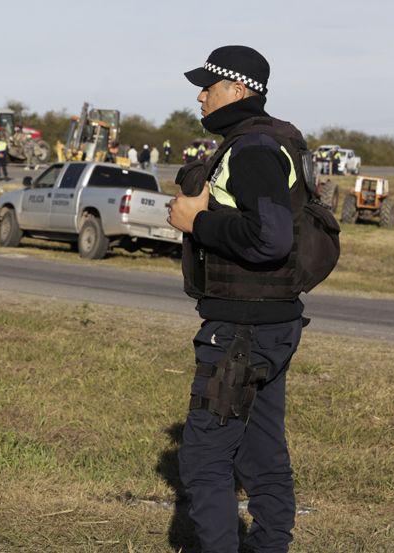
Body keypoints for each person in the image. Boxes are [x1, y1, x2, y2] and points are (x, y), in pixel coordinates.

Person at [168, 45, 311, 553]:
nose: (201, 97)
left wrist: (194, 221)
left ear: (240, 90)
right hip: (270, 325)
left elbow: (270, 238)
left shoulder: (251, 151)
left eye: (208, 86)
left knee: (206, 459)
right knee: (261, 451)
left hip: (240, 333)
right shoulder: (272, 144)